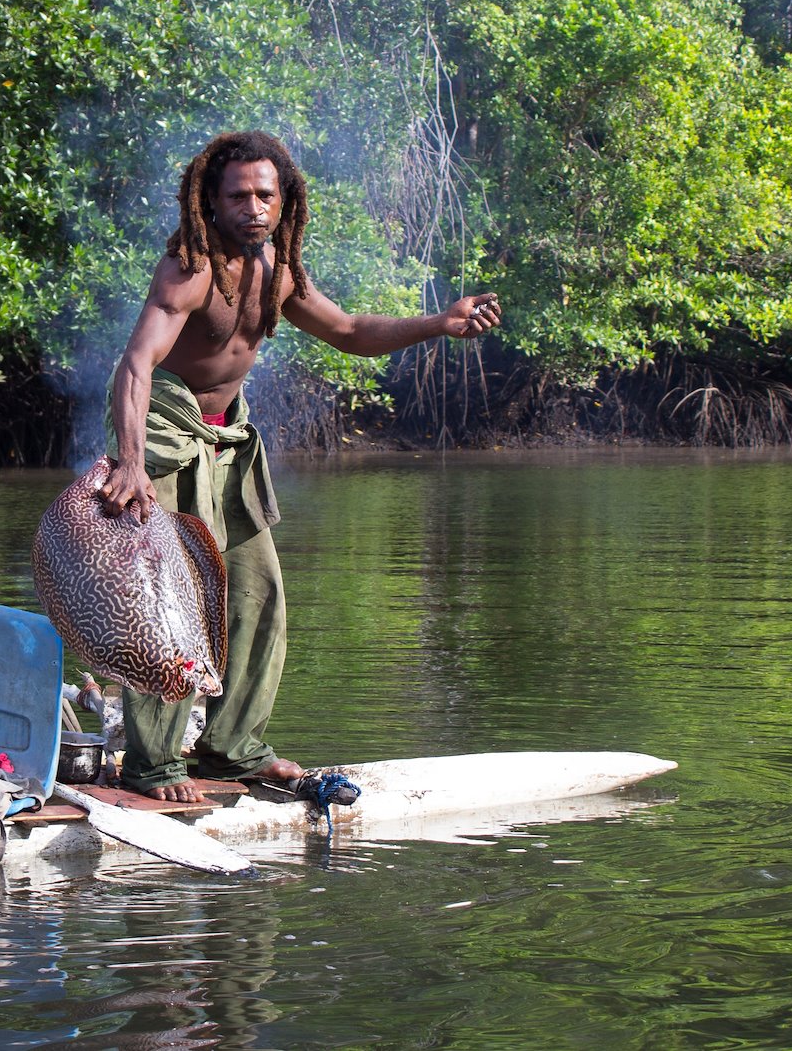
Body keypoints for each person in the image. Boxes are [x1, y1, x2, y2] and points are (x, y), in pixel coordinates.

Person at [97, 130, 501, 803]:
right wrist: (132, 461)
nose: (254, 207)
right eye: (239, 196)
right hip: (166, 436)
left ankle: (229, 750)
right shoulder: (188, 269)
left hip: (229, 442)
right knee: (170, 604)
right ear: (212, 201)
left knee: (257, 592)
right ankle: (153, 764)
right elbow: (136, 363)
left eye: (266, 194)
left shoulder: (278, 273)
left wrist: (439, 322)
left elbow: (348, 330)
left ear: (284, 201)